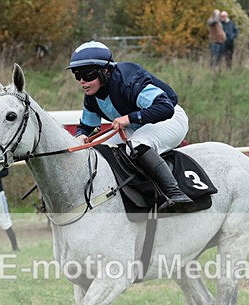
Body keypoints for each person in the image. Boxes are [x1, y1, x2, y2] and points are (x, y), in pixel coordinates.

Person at [67, 41, 192, 209]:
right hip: (137, 126)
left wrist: (129, 118)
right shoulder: (92, 94)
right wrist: (81, 135)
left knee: (137, 145)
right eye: (77, 75)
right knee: (100, 150)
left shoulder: (129, 81)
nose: (82, 81)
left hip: (170, 120)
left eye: (87, 75)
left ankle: (175, 193)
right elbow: (87, 126)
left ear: (105, 71)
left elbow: (165, 107)